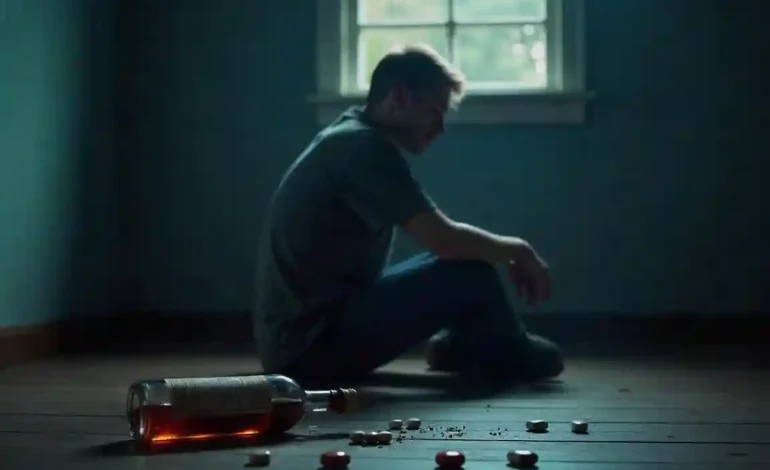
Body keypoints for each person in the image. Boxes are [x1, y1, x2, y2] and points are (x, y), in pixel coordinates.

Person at [253, 43, 563, 384]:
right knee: (470, 270)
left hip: (301, 337)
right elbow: (446, 240)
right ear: (399, 98)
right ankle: (502, 351)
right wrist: (521, 250)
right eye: (435, 111)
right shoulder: (362, 149)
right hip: (307, 352)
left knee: (463, 262)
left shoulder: (350, 134)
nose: (441, 127)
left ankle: (471, 346)